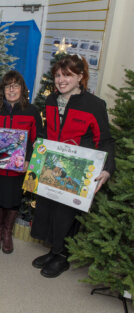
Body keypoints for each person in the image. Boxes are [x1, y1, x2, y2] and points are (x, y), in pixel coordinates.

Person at [30, 54, 115, 278]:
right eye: (58, 75)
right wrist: (35, 157)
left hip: (77, 171)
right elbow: (45, 133)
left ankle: (63, 257)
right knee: (48, 210)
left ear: (80, 77)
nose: (61, 80)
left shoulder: (95, 105)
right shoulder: (50, 101)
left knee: (66, 215)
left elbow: (105, 140)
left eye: (67, 75)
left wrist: (107, 169)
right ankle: (54, 251)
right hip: (52, 166)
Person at [0, 70, 43, 254]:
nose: (11, 89)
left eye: (15, 85)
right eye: (8, 86)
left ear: (22, 89)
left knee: (14, 200)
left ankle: (8, 233)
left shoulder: (32, 112)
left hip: (18, 169)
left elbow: (37, 140)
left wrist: (28, 160)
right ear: (3, 89)